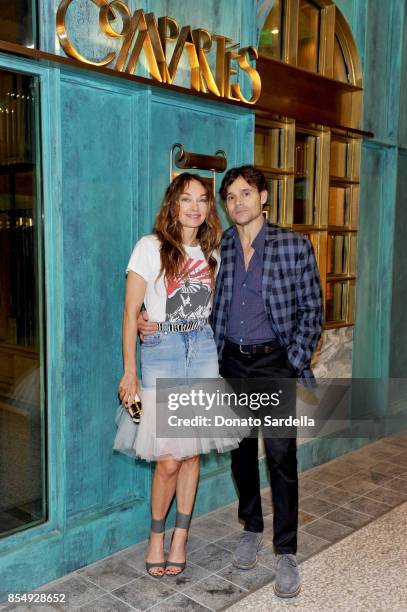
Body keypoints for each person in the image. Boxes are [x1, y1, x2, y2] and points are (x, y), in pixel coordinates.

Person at [139, 165, 323, 597]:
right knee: (240, 456)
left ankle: (286, 551)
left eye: (246, 193)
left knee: (280, 457)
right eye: (231, 197)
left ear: (264, 198)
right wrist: (147, 317)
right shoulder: (216, 247)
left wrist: (291, 361)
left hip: (274, 363)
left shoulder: (293, 246)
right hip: (229, 366)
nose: (237, 203)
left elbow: (312, 311)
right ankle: (251, 527)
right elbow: (182, 293)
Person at [115, 172, 243, 579]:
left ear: (209, 208)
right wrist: (129, 372)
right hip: (162, 353)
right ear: (173, 204)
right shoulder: (149, 248)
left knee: (191, 453)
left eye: (202, 200)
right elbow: (130, 313)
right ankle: (156, 536)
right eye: (186, 199)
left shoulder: (212, 252)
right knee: (168, 459)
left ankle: (181, 536)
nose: (194, 207)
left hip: (202, 351)